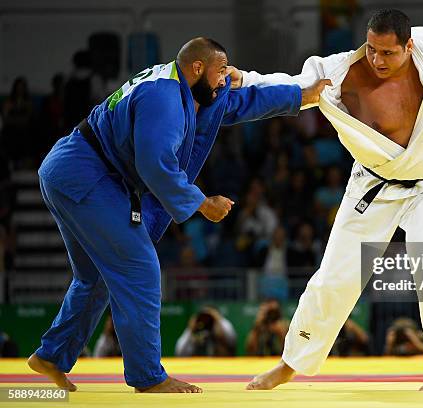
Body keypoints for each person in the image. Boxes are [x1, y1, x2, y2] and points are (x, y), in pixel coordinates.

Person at [231, 9, 423, 391]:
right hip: (374, 182)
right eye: (372, 50)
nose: (377, 60)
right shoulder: (340, 70)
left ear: (409, 45)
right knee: (336, 274)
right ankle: (290, 363)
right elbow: (291, 83)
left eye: (388, 53)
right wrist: (247, 79)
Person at [27, 37, 330, 393]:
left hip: (76, 170)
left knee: (94, 276)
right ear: (197, 68)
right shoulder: (164, 99)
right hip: (85, 173)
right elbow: (156, 167)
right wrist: (203, 203)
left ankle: (51, 355)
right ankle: (147, 376)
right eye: (220, 70)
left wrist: (301, 97)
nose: (226, 78)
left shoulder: (193, 90)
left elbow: (242, 101)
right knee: (138, 266)